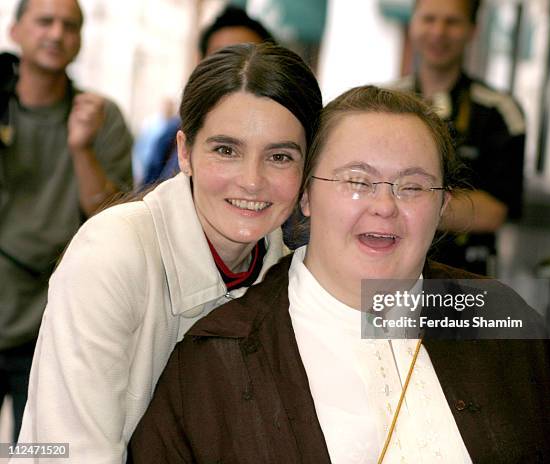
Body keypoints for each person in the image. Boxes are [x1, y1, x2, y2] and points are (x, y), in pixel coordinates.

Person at [129, 86, 550, 462]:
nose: (384, 206)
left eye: (413, 186)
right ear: (306, 196)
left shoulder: (504, 325)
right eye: (357, 181)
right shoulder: (213, 362)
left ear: (442, 206)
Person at [16, 43, 322, 463]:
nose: (252, 181)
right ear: (184, 152)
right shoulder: (112, 253)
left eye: (280, 156)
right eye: (226, 150)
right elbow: (70, 451)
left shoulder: (285, 275)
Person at [0, 0, 132, 442]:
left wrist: (81, 147)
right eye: (44, 21)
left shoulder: (100, 117)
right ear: (15, 31)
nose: (56, 34)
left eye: (70, 25)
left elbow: (112, 219)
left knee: (42, 448)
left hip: (50, 323)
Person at [390, 0, 525, 276]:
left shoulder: (500, 111)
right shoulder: (384, 104)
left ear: (472, 31)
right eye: (428, 19)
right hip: (388, 272)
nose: (438, 32)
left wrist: (398, 199)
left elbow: (493, 213)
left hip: (464, 281)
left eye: (452, 22)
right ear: (412, 23)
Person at [140, 5, 276, 186]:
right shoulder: (169, 138)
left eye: (278, 157)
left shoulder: (284, 134)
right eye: (222, 59)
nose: (239, 70)